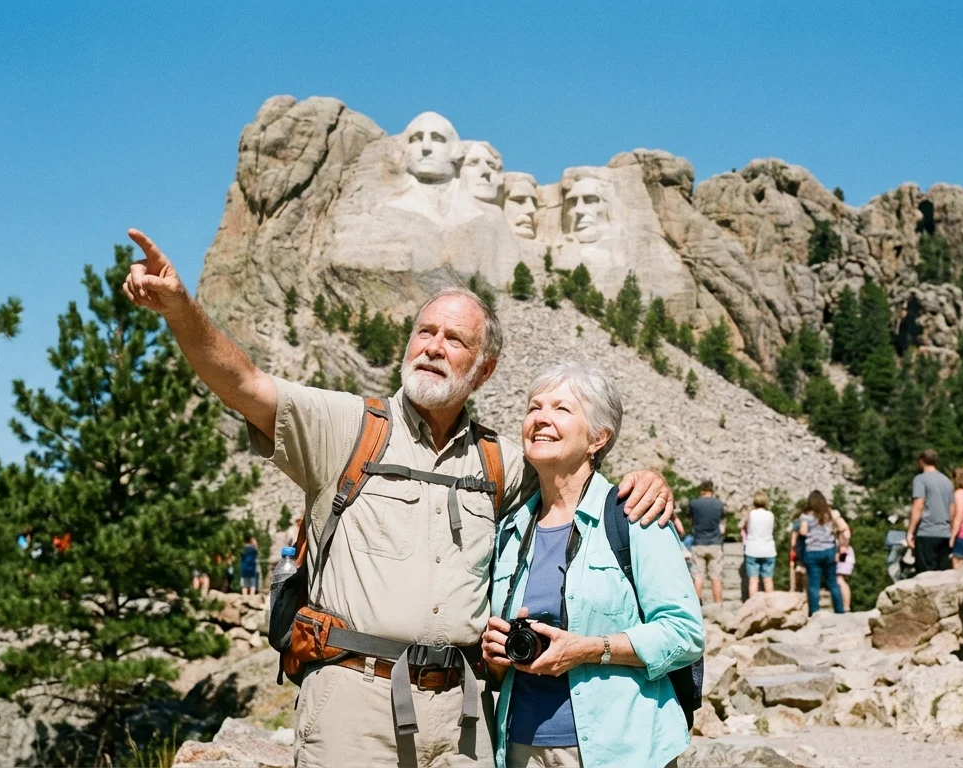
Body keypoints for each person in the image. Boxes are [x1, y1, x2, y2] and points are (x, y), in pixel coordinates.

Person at [121, 230, 676, 768]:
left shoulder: (501, 461)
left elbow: (572, 479)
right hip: (352, 706)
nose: (433, 347)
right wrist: (179, 309)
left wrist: (644, 478)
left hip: (463, 718)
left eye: (454, 340)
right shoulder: (347, 428)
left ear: (484, 369)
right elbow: (244, 383)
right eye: (424, 332)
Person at [483, 364, 702, 768]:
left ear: (598, 438)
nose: (541, 418)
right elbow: (499, 666)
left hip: (622, 747)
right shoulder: (509, 530)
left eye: (561, 409)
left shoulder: (633, 514)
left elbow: (684, 633)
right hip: (520, 746)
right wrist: (495, 658)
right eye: (534, 407)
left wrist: (587, 650)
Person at [798, 491, 850, 615]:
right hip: (829, 551)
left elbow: (803, 532)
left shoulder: (806, 516)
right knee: (833, 582)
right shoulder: (831, 513)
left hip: (812, 552)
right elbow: (843, 527)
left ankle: (814, 612)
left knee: (814, 585)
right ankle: (839, 611)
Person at [906, 449, 955, 572]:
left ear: (921, 461)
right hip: (945, 533)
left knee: (926, 575)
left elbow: (919, 505)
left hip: (926, 532)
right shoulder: (947, 481)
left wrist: (910, 532)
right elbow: (952, 508)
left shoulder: (920, 479)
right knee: (942, 575)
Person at [687, 480, 726, 604]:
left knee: (698, 576)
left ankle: (696, 606)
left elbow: (690, 521)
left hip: (698, 542)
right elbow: (722, 524)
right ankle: (718, 606)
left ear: (701, 490)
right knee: (716, 578)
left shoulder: (694, 503)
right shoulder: (719, 504)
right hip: (715, 543)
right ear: (712, 490)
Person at [741, 491, 776, 597]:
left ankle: (753, 606)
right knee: (768, 579)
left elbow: (743, 526)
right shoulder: (770, 515)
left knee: (753, 580)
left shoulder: (751, 514)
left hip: (753, 549)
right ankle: (770, 605)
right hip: (768, 549)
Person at [787, 499, 809, 593]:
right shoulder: (811, 520)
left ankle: (793, 588)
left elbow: (793, 537)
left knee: (794, 568)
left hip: (798, 548)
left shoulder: (797, 521)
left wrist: (793, 547)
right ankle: (805, 590)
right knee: (805, 570)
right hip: (807, 549)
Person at [836, 545, 855, 610]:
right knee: (841, 581)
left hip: (844, 559)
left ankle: (846, 606)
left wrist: (838, 558)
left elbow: (843, 548)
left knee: (840, 580)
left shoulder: (843, 536)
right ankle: (845, 605)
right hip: (845, 558)